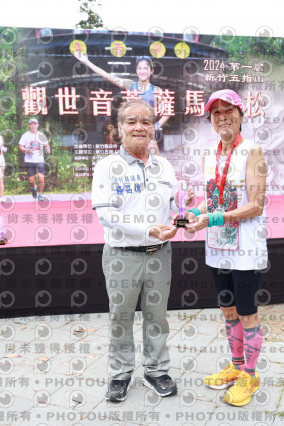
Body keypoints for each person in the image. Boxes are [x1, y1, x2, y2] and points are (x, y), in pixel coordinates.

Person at [91, 98, 193, 402]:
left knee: (157, 316)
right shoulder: (107, 167)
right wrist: (147, 229)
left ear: (153, 129)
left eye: (146, 121)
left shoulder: (164, 166)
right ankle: (120, 374)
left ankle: (156, 371)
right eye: (131, 121)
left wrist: (184, 217)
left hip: (160, 254)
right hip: (122, 256)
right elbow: (106, 214)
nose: (139, 127)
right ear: (119, 127)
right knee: (120, 317)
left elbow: (175, 207)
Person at [184, 89, 268, 407]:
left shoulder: (252, 151)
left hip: (245, 250)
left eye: (228, 110)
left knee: (247, 314)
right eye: (215, 112)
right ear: (210, 119)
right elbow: (211, 199)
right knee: (228, 311)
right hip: (218, 247)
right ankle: (236, 367)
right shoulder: (210, 154)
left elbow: (257, 205)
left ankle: (251, 375)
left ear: (241, 115)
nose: (222, 117)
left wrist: (214, 217)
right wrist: (191, 214)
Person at [74, 53, 169, 154]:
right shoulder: (130, 85)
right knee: (131, 160)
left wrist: (157, 125)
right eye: (139, 68)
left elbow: (167, 111)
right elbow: (107, 76)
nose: (142, 71)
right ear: (136, 70)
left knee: (154, 160)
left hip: (148, 133)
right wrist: (86, 62)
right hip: (132, 132)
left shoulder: (156, 90)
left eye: (145, 68)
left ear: (151, 71)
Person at [18, 118, 51, 201]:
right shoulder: (25, 135)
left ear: (38, 125)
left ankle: (40, 195)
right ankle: (34, 188)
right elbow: (20, 146)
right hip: (29, 161)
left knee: (41, 178)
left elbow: (46, 145)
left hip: (40, 160)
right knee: (31, 181)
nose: (33, 125)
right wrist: (26, 150)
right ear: (29, 125)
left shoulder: (41, 135)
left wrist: (48, 150)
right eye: (31, 124)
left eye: (35, 124)